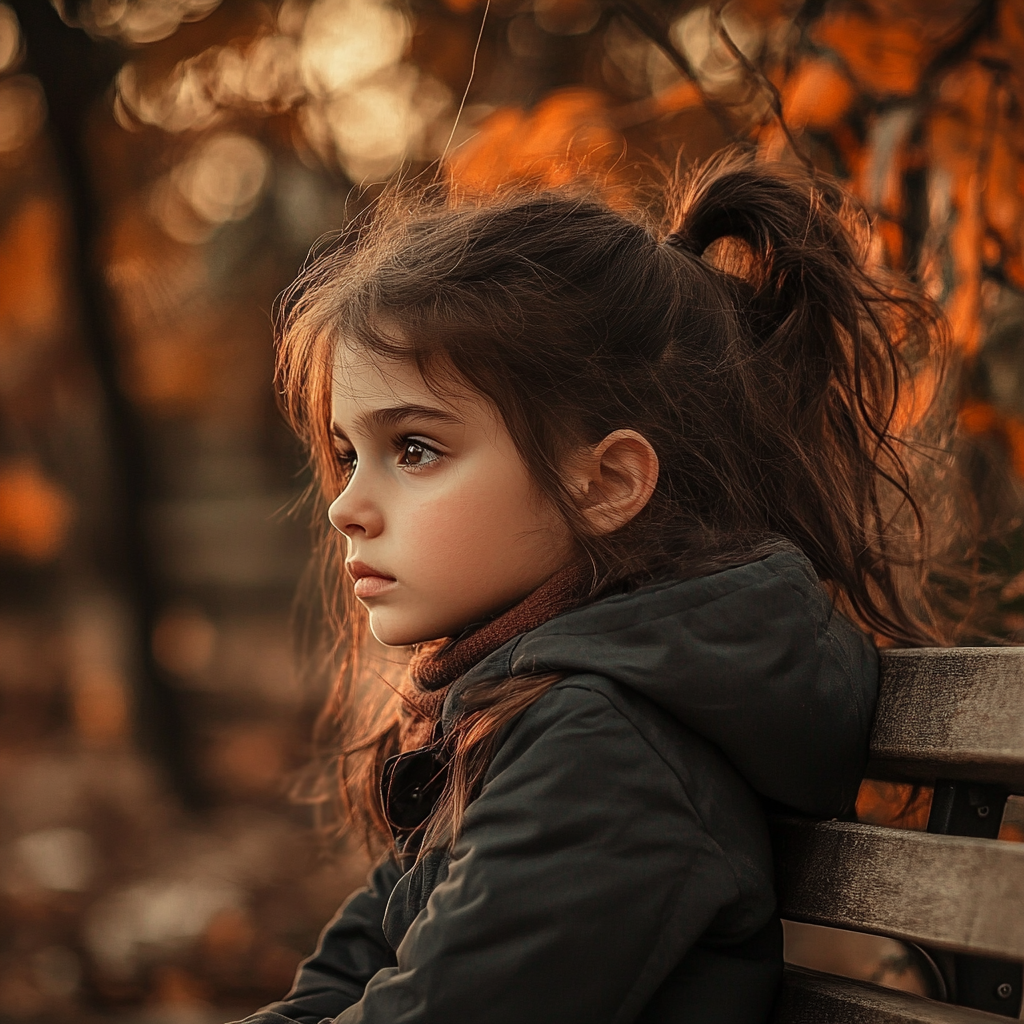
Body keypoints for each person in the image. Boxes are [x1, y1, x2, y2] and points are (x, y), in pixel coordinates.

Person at [233, 149, 950, 1024]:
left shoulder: (606, 752)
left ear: (605, 484)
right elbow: (343, 984)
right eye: (347, 456)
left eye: (412, 449)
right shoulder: (521, 718)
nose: (346, 505)